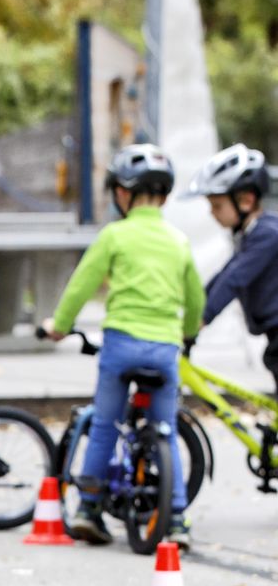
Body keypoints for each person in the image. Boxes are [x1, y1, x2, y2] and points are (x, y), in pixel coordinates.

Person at [47, 143, 205, 550]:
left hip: (121, 345)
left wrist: (59, 326)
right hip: (164, 347)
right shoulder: (178, 240)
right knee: (166, 430)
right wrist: (187, 334)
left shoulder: (114, 235)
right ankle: (178, 522)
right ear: (166, 195)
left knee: (104, 424)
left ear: (122, 193)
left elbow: (81, 284)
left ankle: (89, 509)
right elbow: (196, 300)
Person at [183, 144, 278, 398]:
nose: (212, 214)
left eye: (217, 206)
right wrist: (191, 310)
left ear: (246, 200)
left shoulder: (267, 235)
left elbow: (234, 280)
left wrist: (198, 322)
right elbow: (223, 276)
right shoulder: (251, 234)